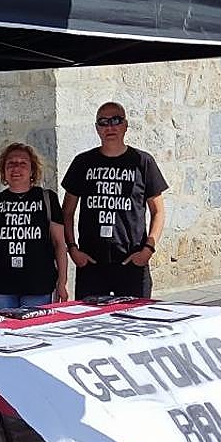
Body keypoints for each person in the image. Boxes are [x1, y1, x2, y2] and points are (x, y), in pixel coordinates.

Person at [62, 102, 168, 299]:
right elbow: (67, 211)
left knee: (135, 323)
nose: (109, 127)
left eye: (116, 120)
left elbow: (158, 211)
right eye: (103, 122)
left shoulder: (143, 161)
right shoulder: (83, 162)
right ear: (97, 128)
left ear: (125, 125)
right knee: (90, 324)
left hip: (131, 260)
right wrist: (73, 249)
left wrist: (148, 250)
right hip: (92, 262)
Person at [0, 142, 69, 312]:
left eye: (22, 163)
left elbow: (59, 245)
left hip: (39, 286)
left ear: (32, 170)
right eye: (10, 163)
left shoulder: (47, 199)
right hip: (1, 287)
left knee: (36, 334)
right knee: (1, 334)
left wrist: (62, 282)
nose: (16, 168)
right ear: (3, 170)